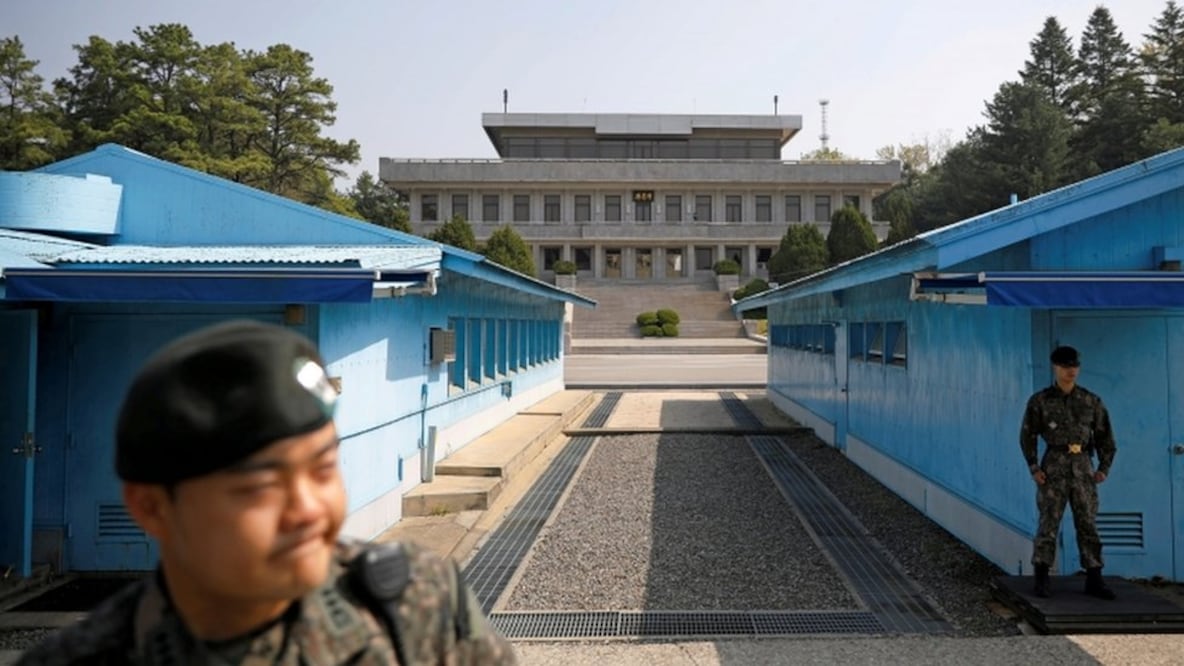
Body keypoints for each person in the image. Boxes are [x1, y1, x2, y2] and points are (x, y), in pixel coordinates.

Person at [19, 320, 515, 664]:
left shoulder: (417, 608)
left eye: (323, 470)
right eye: (260, 487)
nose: (308, 511)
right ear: (152, 507)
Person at [1020, 345, 1117, 600]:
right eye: (1065, 367)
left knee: (1087, 522)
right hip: (1054, 465)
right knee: (1048, 522)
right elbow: (1027, 435)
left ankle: (1094, 576)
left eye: (1074, 366)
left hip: (1083, 466)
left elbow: (1106, 436)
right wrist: (1034, 467)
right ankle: (1042, 576)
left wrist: (1103, 467)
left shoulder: (1090, 401)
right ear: (1055, 367)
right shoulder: (1040, 401)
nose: (1070, 371)